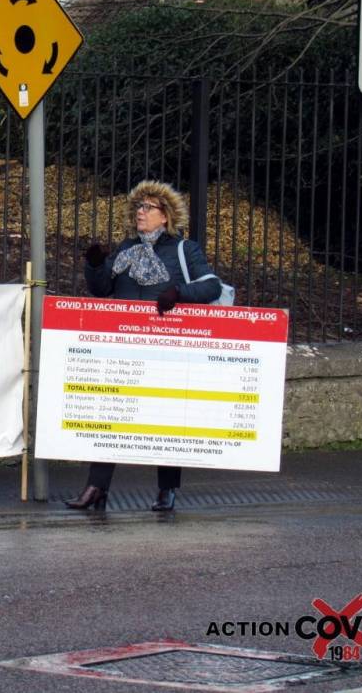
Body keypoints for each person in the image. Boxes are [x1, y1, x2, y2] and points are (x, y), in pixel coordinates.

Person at [65, 180, 221, 513]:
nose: (141, 212)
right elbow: (101, 289)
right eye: (138, 206)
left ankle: (166, 490)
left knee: (165, 419)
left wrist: (178, 294)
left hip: (167, 346)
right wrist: (94, 265)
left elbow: (211, 286)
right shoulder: (126, 249)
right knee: (111, 415)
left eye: (148, 207)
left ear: (165, 216)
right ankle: (96, 488)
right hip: (124, 345)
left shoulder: (184, 250)